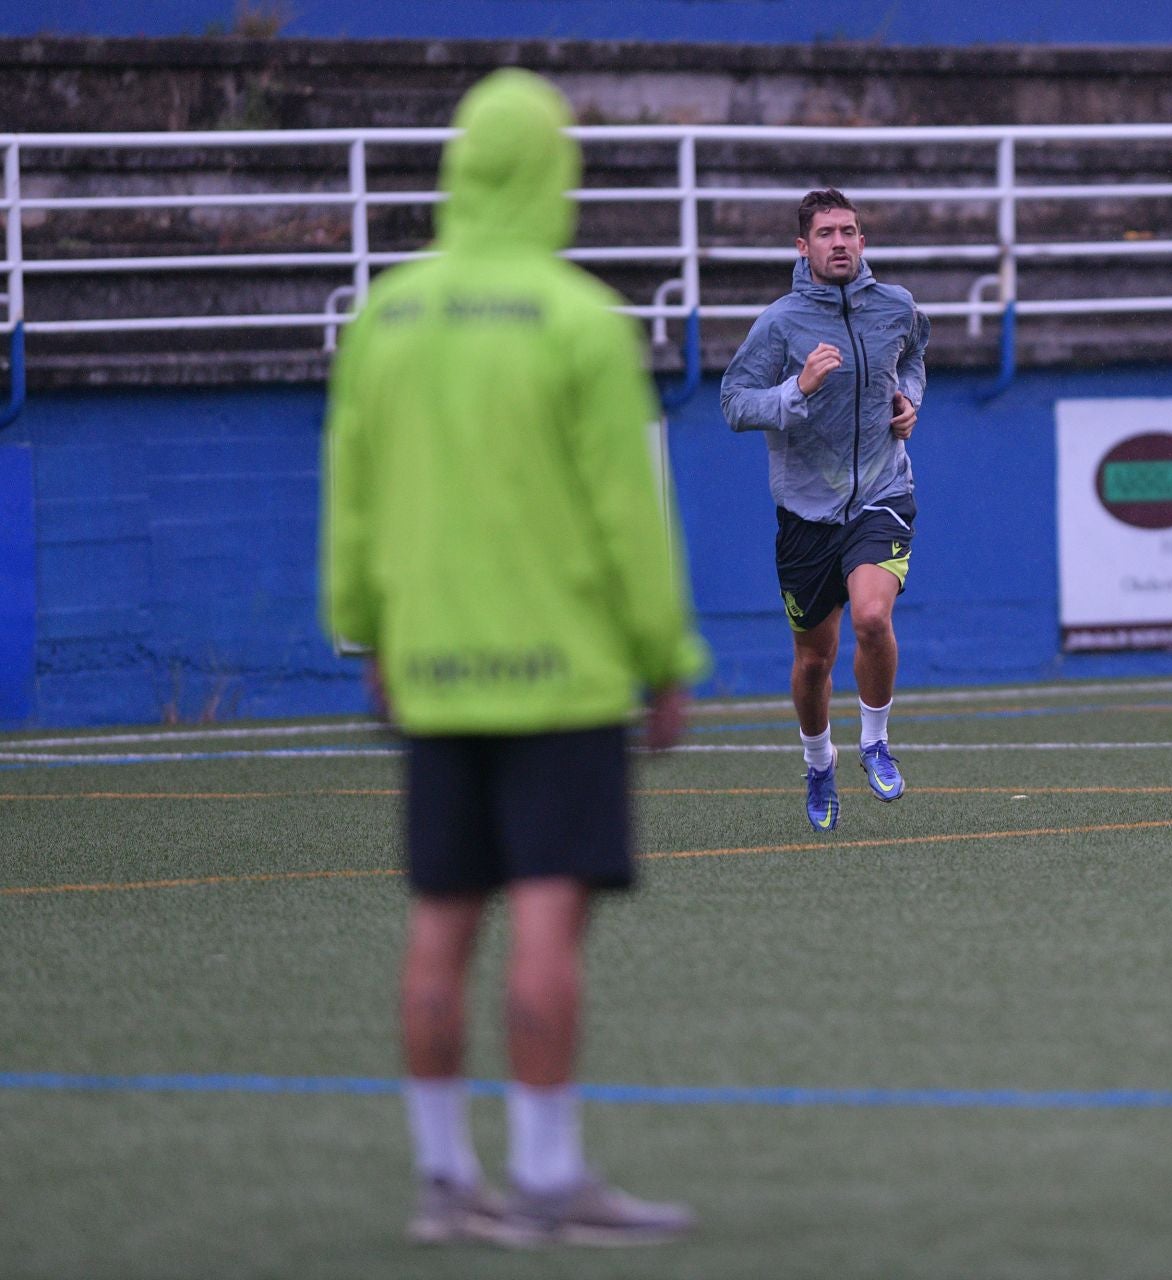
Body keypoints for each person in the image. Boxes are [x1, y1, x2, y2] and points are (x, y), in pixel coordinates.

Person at [320, 68, 710, 1248]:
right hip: (565, 674)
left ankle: (446, 1180)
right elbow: (626, 516)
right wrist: (666, 655)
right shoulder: (579, 317)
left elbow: (353, 502)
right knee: (546, 926)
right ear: (554, 171)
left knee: (440, 923)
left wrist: (369, 634)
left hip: (435, 666)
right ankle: (547, 1178)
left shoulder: (388, 315)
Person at [719, 188, 931, 832]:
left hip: (881, 493)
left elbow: (916, 357)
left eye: (850, 231)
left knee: (872, 616)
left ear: (863, 242)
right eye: (826, 233)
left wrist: (908, 399)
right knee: (814, 657)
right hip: (806, 514)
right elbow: (734, 402)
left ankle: (874, 740)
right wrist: (797, 389)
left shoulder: (896, 307)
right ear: (802, 247)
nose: (839, 242)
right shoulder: (780, 323)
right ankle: (819, 762)